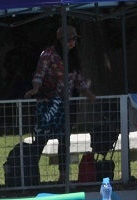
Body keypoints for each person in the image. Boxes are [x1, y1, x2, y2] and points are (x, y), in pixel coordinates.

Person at [24, 27, 95, 182]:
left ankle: (64, 175)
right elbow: (39, 73)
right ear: (60, 40)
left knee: (64, 140)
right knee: (41, 139)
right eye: (69, 39)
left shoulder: (74, 57)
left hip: (66, 104)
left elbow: (78, 80)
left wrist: (87, 92)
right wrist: (35, 87)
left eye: (74, 39)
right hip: (48, 103)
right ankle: (30, 174)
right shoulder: (48, 54)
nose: (72, 42)